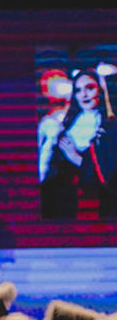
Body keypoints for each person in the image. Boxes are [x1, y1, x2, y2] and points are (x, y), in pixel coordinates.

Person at [38, 69, 109, 220]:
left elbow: (107, 174)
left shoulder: (109, 127)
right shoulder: (68, 122)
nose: (83, 95)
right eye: (78, 90)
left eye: (89, 88)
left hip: (88, 201)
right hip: (58, 196)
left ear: (100, 90)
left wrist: (74, 157)